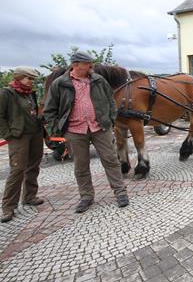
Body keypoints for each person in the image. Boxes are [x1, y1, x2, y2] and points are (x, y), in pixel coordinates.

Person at [43, 52, 129, 213]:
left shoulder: (98, 80)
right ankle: (86, 196)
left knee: (111, 160)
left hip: (100, 128)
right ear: (76, 65)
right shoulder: (60, 83)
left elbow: (110, 100)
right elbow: (49, 110)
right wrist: (58, 130)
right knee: (81, 166)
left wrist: (110, 119)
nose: (91, 66)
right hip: (74, 131)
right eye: (88, 64)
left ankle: (120, 192)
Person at [0, 67, 45, 223]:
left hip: (36, 133)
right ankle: (8, 207)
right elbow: (1, 116)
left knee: (33, 166)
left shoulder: (29, 93)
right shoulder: (7, 93)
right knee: (17, 170)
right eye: (28, 78)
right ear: (19, 77)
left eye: (32, 79)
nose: (31, 82)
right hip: (19, 136)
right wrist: (9, 135)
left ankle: (29, 196)